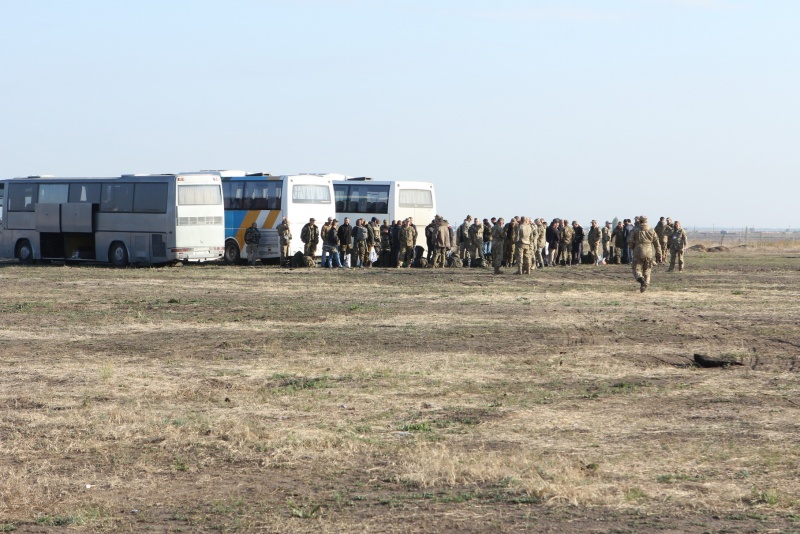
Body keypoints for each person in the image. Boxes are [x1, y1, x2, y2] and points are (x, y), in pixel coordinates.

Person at [627, 215, 662, 292]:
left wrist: (633, 247)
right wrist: (659, 254)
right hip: (649, 251)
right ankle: (645, 285)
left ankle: (641, 280)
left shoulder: (635, 229)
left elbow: (630, 240)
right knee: (647, 270)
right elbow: (657, 243)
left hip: (638, 251)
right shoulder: (651, 230)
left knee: (636, 269)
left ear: (639, 221)